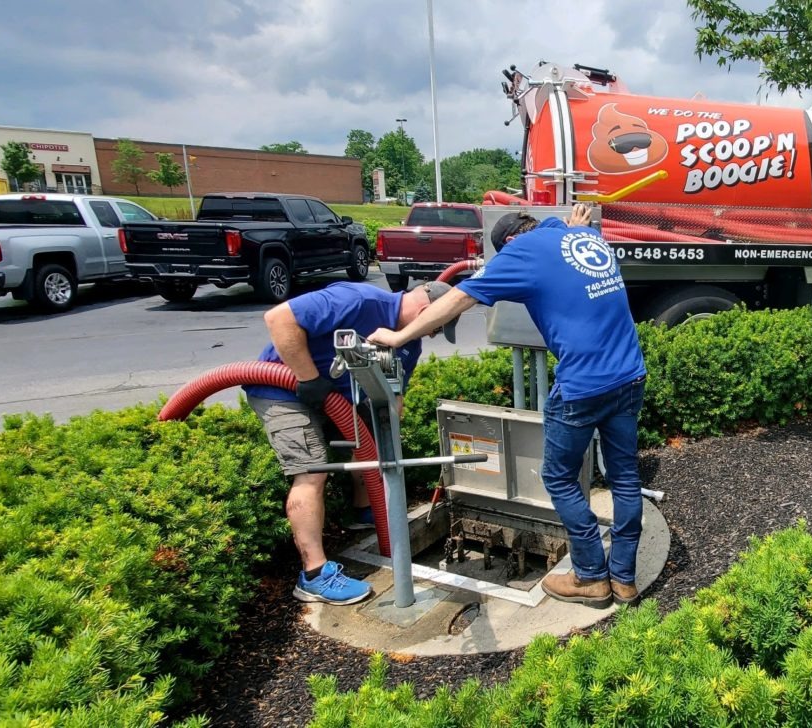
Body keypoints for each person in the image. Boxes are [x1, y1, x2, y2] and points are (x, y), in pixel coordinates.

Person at [370, 203, 647, 609]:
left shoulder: (523, 250)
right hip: (630, 376)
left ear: (511, 242)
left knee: (559, 478)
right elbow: (568, 239)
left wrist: (399, 337)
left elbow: (459, 298)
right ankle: (623, 579)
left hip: (583, 386)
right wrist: (574, 226)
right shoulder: (584, 236)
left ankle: (590, 576)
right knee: (624, 479)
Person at [245, 280, 455, 605]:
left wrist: (389, 434)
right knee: (312, 472)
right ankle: (313, 576)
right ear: (426, 312)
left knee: (368, 440)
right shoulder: (357, 300)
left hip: (338, 397)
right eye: (436, 326)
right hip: (284, 389)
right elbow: (279, 318)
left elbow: (394, 400)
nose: (431, 334)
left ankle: (364, 511)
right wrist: (308, 378)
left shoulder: (408, 345)